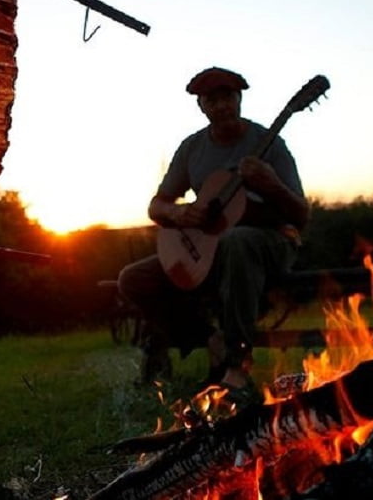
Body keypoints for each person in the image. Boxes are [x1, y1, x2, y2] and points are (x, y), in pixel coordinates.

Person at [117, 66, 310, 398]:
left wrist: (272, 185)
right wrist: (179, 213)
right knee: (132, 278)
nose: (221, 106)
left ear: (240, 99)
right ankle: (207, 337)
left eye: (228, 97)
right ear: (201, 105)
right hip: (212, 251)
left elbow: (301, 216)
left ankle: (236, 366)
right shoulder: (192, 148)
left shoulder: (270, 144)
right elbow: (157, 206)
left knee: (238, 240)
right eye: (212, 100)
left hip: (271, 242)